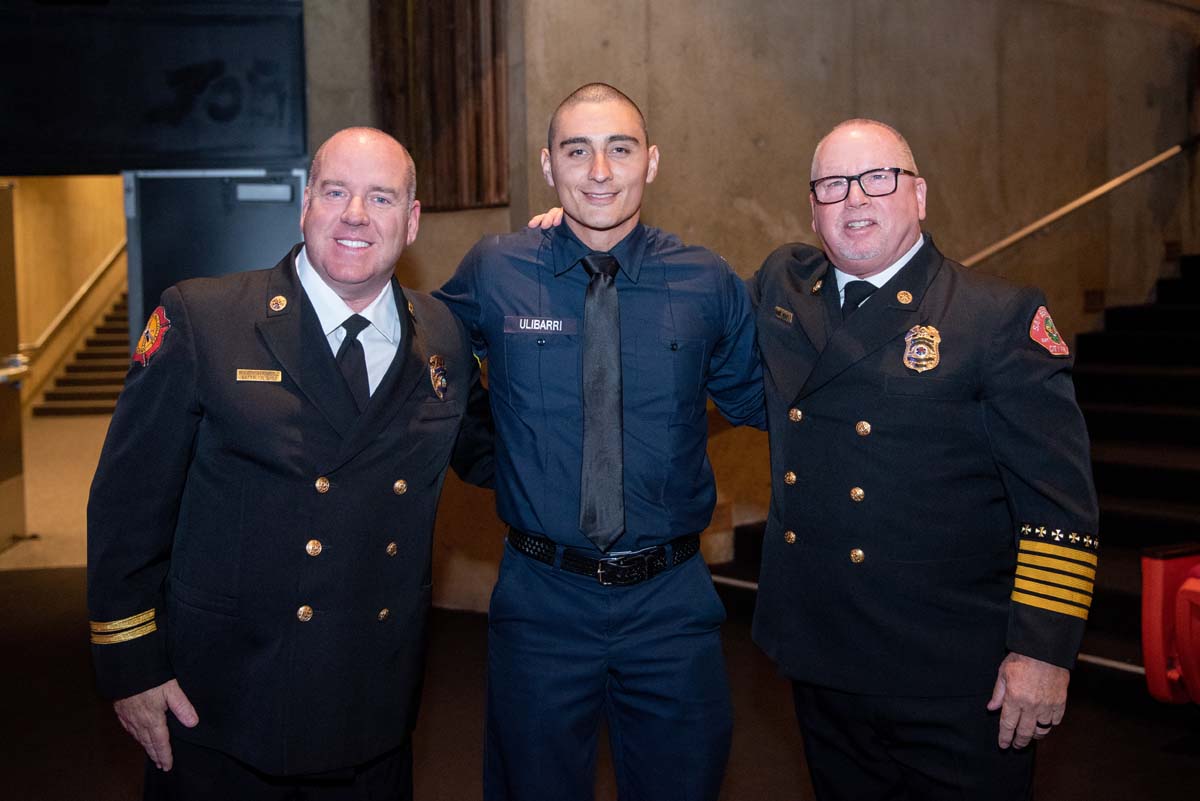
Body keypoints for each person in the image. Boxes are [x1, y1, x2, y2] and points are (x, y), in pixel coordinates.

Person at [87, 127, 493, 800]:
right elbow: (127, 506)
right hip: (225, 706)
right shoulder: (204, 319)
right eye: (336, 192)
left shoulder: (443, 337)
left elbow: (498, 454)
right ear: (306, 205)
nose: (356, 214)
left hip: (372, 710)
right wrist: (131, 665)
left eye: (381, 197)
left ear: (413, 219)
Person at [749, 119, 1100, 800]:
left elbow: (1059, 503)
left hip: (954, 678)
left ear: (920, 195)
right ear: (813, 209)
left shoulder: (995, 317)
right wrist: (583, 228)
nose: (855, 198)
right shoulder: (784, 291)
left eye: (878, 178)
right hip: (823, 663)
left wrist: (1043, 649)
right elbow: (690, 309)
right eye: (833, 185)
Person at [436, 83, 765, 801]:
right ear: (548, 165)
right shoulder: (496, 269)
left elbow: (768, 401)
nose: (600, 172)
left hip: (672, 604)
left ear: (651, 161)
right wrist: (495, 458)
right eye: (576, 151)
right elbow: (426, 367)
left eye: (620, 149)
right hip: (541, 599)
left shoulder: (706, 280)